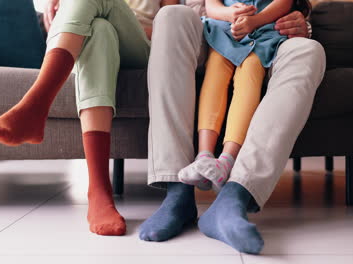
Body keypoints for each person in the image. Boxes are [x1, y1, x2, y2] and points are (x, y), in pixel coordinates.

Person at [140, 0, 326, 254]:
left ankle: (235, 196)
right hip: (207, 32)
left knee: (309, 50)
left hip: (267, 35)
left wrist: (300, 22)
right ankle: (177, 193)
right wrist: (225, 16)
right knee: (172, 14)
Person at [0, 0, 178, 236]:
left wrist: (113, 15)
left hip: (139, 46)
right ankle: (99, 191)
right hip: (90, 37)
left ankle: (36, 105)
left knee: (103, 18)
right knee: (101, 31)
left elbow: (168, 28)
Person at [178, 0, 311, 193]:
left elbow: (284, 3)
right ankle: (204, 155)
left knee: (249, 72)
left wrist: (254, 21)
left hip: (263, 32)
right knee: (215, 71)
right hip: (224, 29)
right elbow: (212, 5)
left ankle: (227, 159)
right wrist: (227, 14)